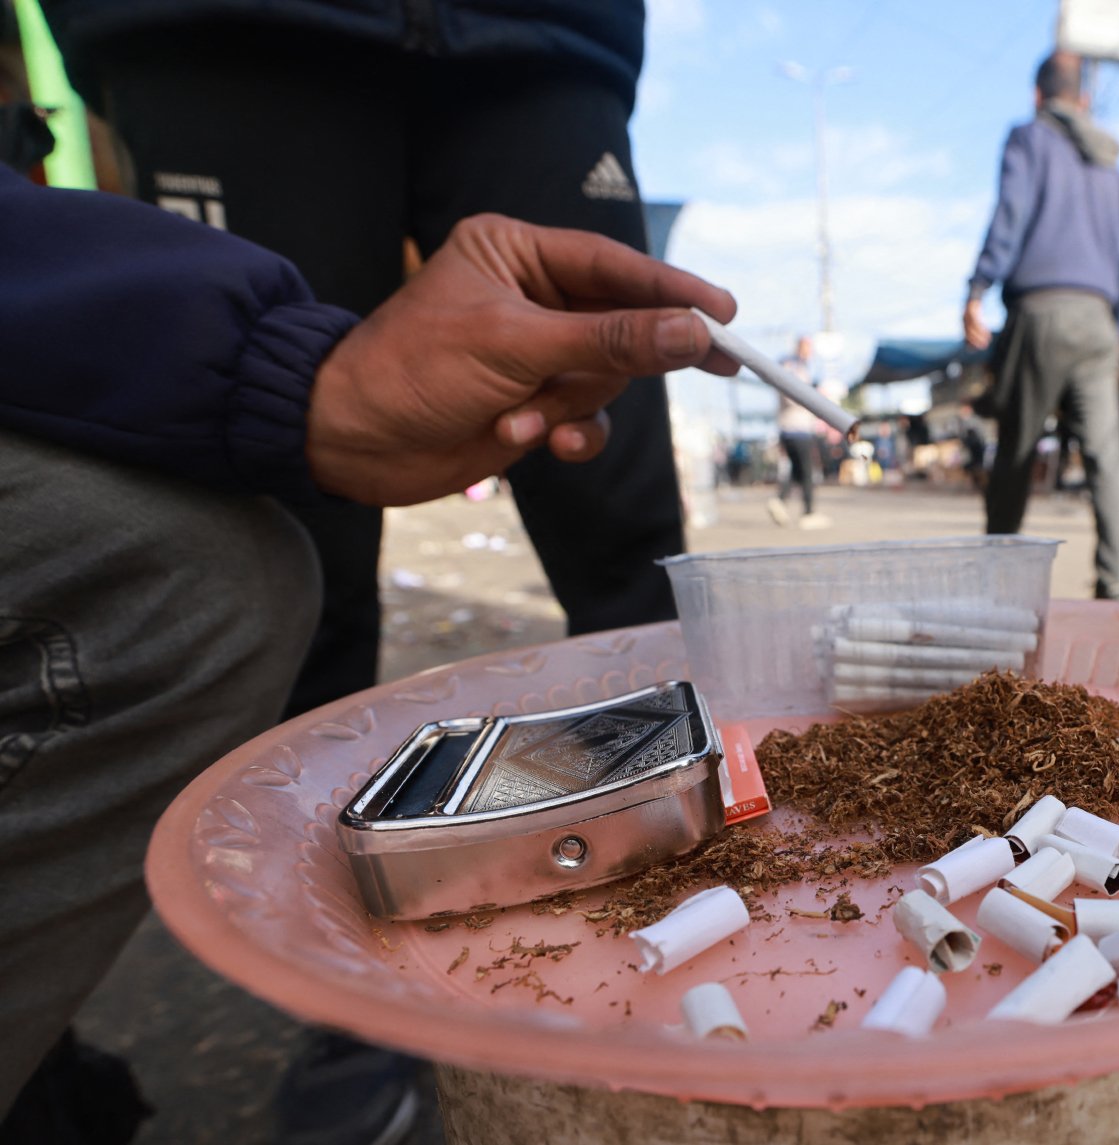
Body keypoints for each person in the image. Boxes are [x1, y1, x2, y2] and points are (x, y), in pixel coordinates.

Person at [0, 165, 735, 1138]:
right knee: (243, 572)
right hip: (222, 66)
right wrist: (294, 374)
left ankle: (678, 861)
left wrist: (289, 372)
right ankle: (350, 995)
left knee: (619, 543)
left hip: (552, 43)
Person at [39, 0, 688, 722]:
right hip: (217, 34)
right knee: (290, 559)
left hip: (552, 38)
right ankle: (286, 819)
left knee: (625, 521)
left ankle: (681, 776)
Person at [962, 51, 1119, 600]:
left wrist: (978, 287)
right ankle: (1118, 585)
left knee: (1017, 450)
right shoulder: (1112, 168)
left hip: (1040, 313)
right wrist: (1117, 325)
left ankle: (998, 585)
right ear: (1083, 101)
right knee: (1106, 459)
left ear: (1038, 96)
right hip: (1097, 320)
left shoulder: (1029, 140)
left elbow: (1010, 214)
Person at [768, 335, 830, 530]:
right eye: (807, 348)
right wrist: (814, 396)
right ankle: (809, 513)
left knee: (797, 470)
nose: (809, 353)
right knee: (807, 471)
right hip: (796, 428)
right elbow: (792, 397)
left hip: (792, 428)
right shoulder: (791, 368)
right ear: (800, 348)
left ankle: (780, 500)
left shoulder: (797, 368)